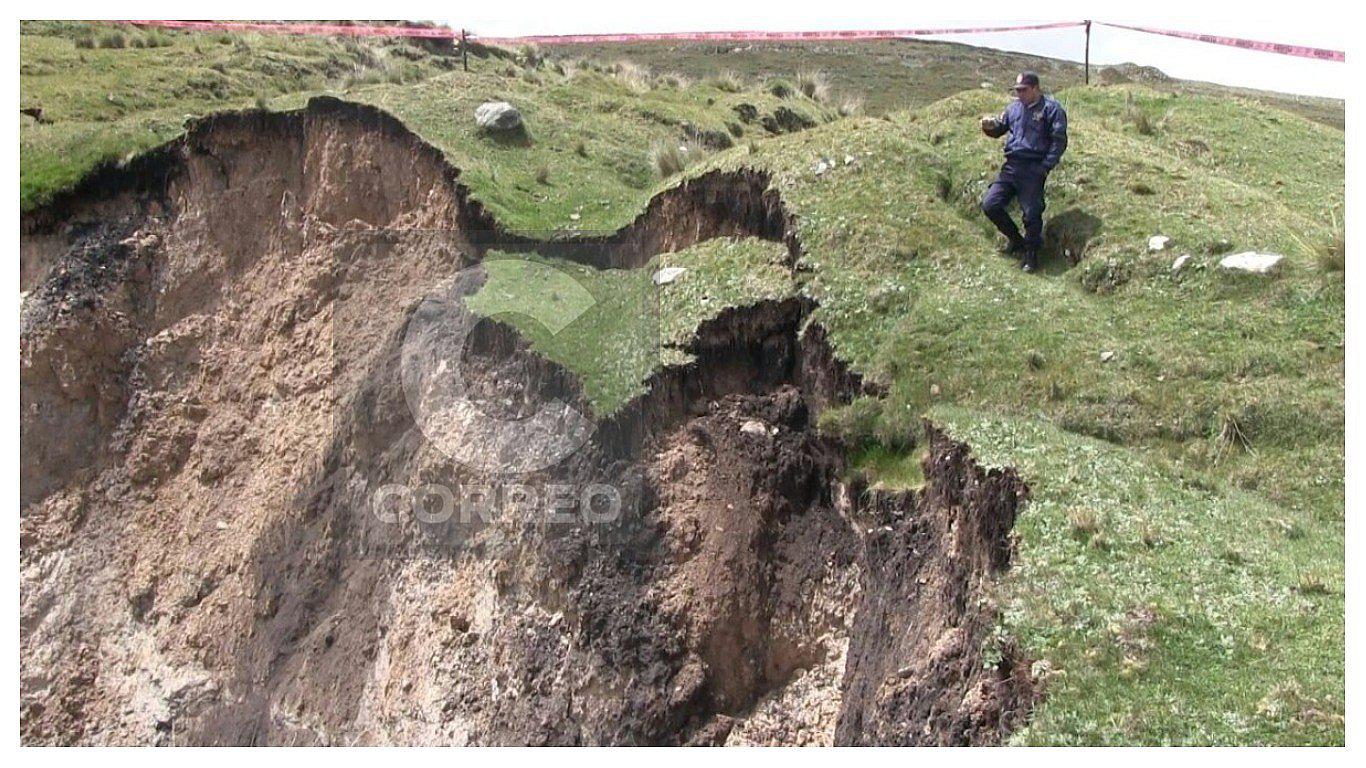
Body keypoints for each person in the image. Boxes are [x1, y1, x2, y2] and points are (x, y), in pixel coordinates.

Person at [979, 71, 1068, 273]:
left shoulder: (1051, 110)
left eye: (1023, 90)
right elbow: (999, 128)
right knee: (990, 204)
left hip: (1034, 167)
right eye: (1017, 90)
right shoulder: (1013, 109)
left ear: (1036, 89)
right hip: (1011, 166)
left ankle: (1031, 255)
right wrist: (988, 127)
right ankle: (1016, 240)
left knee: (1032, 213)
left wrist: (1045, 167)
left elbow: (1059, 141)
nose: (1019, 94)